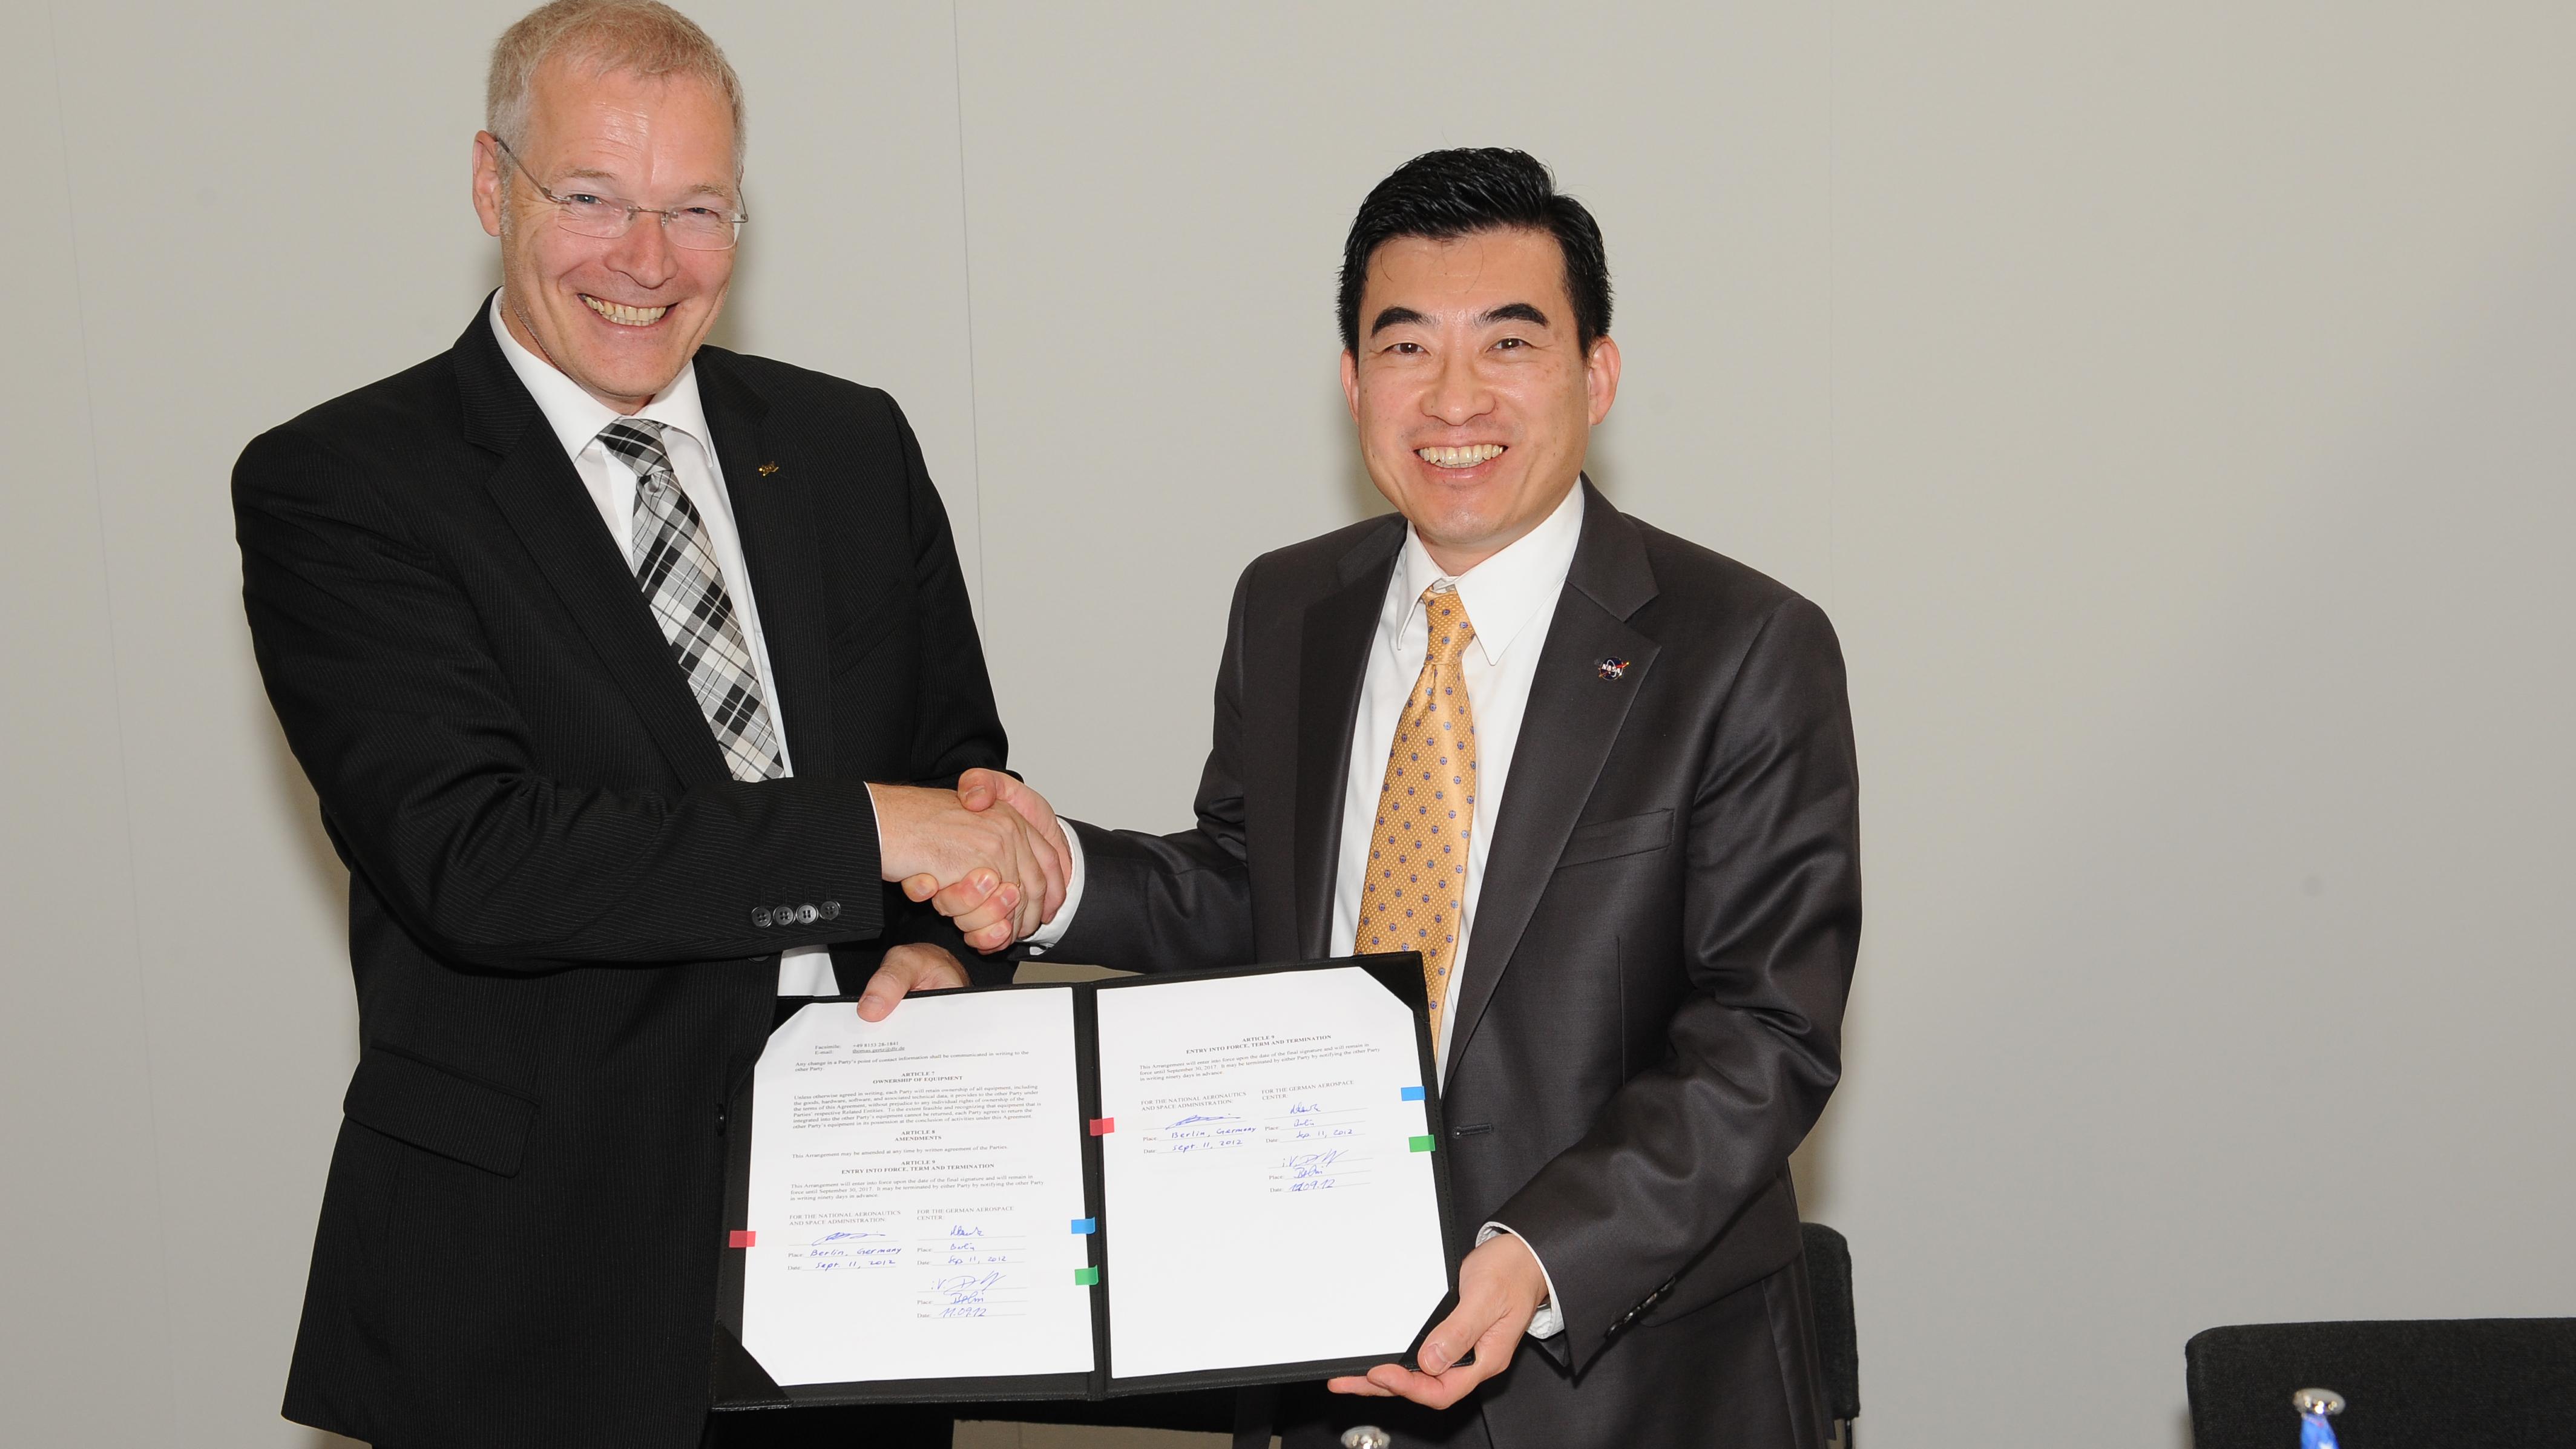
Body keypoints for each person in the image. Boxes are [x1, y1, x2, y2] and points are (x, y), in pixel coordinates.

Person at [232, 3, 1061, 1445]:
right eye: (592, 198)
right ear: (491, 186)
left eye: (695, 208)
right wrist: (869, 833)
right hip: (536, 1298)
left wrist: (948, 948)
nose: (647, 259)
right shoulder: (344, 486)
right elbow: (477, 860)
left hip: (865, 1264)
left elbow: (953, 776)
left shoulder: (851, 445)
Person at [943, 148, 1862, 1447]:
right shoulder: (1288, 605)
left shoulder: (1744, 647)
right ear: (1352, 384)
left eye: (1509, 343)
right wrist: (1056, 879)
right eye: (1407, 347)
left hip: (1624, 1381)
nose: (1454, 397)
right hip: (1318, 1346)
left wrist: (1539, 1255)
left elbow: (1765, 1031)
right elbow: (1257, 890)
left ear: (1597, 375)